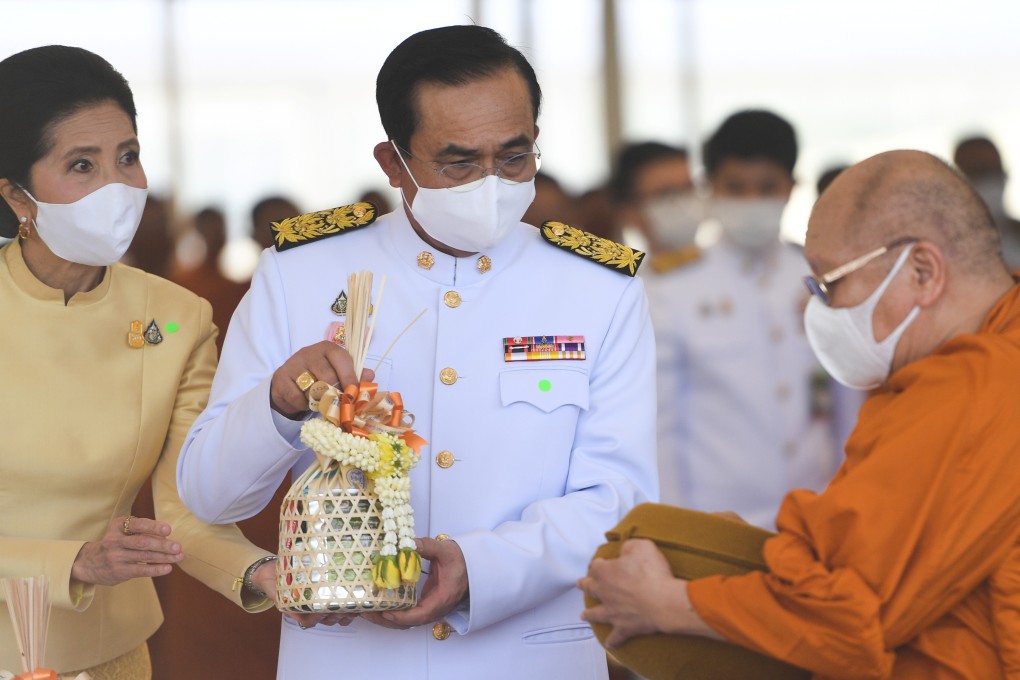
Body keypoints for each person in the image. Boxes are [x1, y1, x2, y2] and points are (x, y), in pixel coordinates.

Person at [177, 24, 657, 680]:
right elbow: (209, 493)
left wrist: (482, 569)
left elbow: (619, 495)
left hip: (525, 656)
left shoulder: (594, 286)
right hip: (351, 659)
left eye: (514, 157)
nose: (491, 181)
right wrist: (278, 404)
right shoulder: (302, 272)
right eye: (459, 161)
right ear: (393, 162)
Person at [579, 149, 1020, 678]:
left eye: (830, 285)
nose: (823, 308)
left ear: (922, 271)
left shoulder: (974, 388)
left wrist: (670, 603)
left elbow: (851, 614)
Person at [0, 45, 280, 678]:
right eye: (81, 165)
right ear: (17, 195)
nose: (119, 187)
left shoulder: (179, 317)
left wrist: (268, 573)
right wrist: (71, 562)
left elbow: (183, 515)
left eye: (128, 157)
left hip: (109, 656)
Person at [649, 109, 858, 529]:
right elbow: (661, 429)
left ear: (791, 188)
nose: (750, 201)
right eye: (735, 187)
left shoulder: (819, 277)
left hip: (815, 514)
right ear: (709, 188)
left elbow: (846, 407)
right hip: (717, 526)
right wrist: (675, 531)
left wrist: (845, 504)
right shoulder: (670, 287)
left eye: (766, 187)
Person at [609, 141, 700, 274]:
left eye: (688, 188)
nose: (683, 202)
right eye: (665, 193)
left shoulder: (731, 265)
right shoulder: (622, 286)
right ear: (627, 211)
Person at [172, 207, 251, 354]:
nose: (215, 236)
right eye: (208, 230)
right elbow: (171, 327)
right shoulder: (181, 285)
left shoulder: (239, 289)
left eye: (219, 229)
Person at [953, 135, 1020, 270]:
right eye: (978, 172)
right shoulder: (948, 252)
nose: (988, 180)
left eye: (993, 170)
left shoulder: (1016, 232)